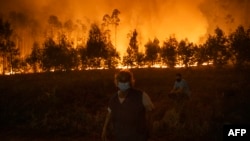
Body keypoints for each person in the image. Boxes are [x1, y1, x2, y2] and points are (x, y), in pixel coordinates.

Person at [102, 69, 154, 141]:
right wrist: (104, 130)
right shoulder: (113, 99)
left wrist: (150, 134)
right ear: (116, 82)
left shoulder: (141, 95)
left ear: (130, 82)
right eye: (121, 80)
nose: (123, 83)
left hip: (138, 137)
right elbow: (109, 115)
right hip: (120, 136)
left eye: (125, 80)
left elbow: (150, 115)